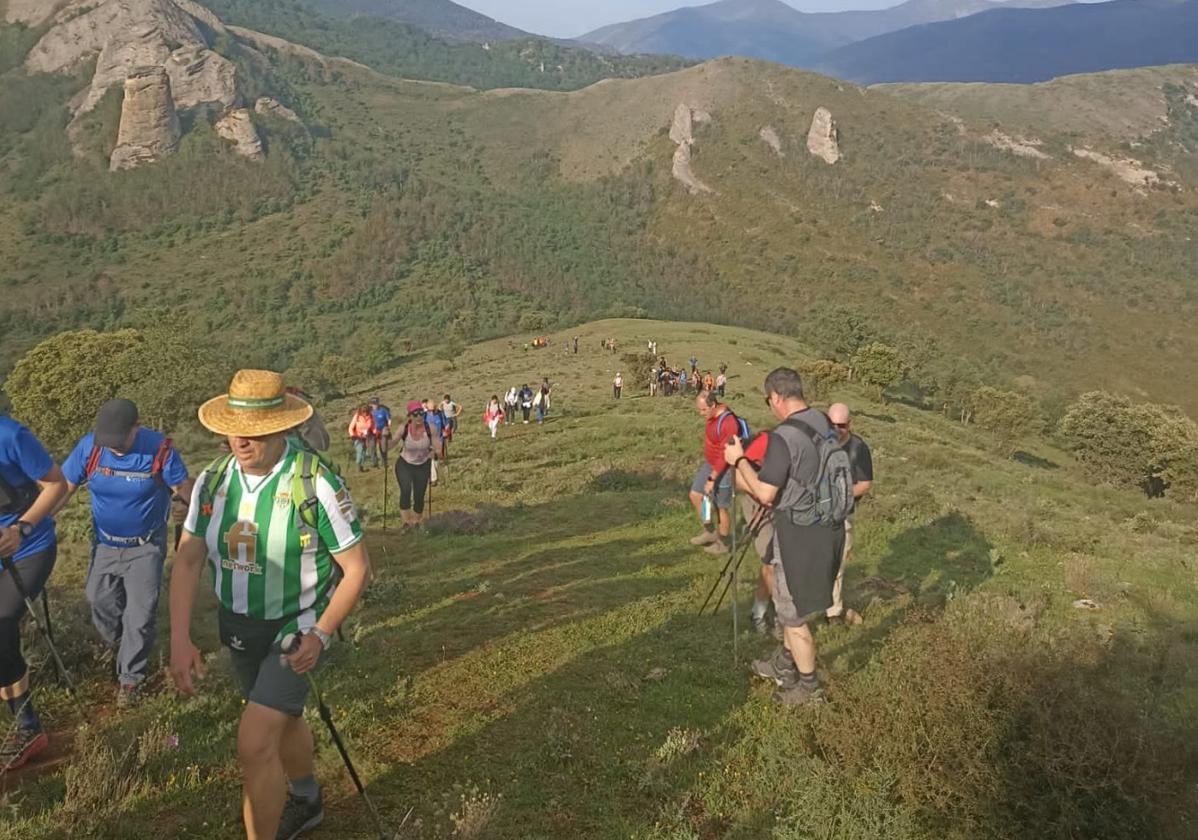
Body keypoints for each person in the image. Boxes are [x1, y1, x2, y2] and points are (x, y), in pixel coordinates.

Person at [170, 370, 370, 840]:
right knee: (285, 719)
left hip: (294, 629)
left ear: (281, 426)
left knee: (254, 742)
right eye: (234, 427)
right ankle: (306, 798)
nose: (241, 440)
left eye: (256, 431)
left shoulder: (314, 482)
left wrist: (320, 634)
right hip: (238, 625)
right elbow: (187, 560)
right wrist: (179, 638)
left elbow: (357, 567)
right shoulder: (214, 482)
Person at [56, 399, 192, 707]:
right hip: (104, 544)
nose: (115, 448)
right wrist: (35, 522)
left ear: (136, 429)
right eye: (109, 443)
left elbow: (183, 488)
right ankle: (122, 648)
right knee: (98, 601)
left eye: (121, 441)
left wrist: (193, 506)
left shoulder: (159, 450)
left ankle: (131, 680)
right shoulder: (90, 448)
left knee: (139, 615)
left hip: (145, 547)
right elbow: (64, 487)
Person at [725, 368, 846, 706]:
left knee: (792, 616)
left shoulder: (784, 437)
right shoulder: (821, 421)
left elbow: (765, 493)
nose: (770, 406)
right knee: (793, 602)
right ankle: (783, 663)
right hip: (827, 527)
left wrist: (738, 461)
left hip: (799, 534)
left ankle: (808, 689)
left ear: (776, 397)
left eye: (769, 401)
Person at [0, 417, 67, 771]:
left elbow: (57, 484)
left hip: (28, 547)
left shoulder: (10, 436)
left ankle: (27, 727)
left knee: (1, 622)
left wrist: (21, 529)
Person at [825, 403, 873, 625]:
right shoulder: (820, 443)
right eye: (832, 424)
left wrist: (839, 495)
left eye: (841, 425)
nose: (836, 429)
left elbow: (864, 485)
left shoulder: (858, 448)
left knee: (837, 563)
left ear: (849, 424)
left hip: (843, 514)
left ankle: (833, 612)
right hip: (816, 512)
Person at [688, 391, 741, 556]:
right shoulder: (712, 417)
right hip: (709, 464)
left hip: (724, 469)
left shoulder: (729, 423)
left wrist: (712, 479)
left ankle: (724, 543)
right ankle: (710, 530)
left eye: (703, 410)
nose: (701, 413)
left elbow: (725, 455)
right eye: (699, 409)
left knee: (721, 507)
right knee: (697, 495)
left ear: (713, 405)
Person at [394, 401, 443, 528]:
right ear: (409, 416)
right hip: (404, 464)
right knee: (405, 491)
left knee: (419, 495)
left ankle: (416, 523)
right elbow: (389, 444)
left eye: (421, 413)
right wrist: (383, 437)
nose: (419, 416)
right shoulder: (403, 428)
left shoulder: (430, 428)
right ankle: (406, 523)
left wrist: (436, 452)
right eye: (415, 414)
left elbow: (438, 447)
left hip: (422, 465)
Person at [347, 405, 375, 472]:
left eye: (366, 411)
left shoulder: (371, 416)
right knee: (360, 451)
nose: (365, 413)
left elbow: (373, 426)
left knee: (364, 452)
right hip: (357, 437)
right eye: (363, 411)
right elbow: (350, 427)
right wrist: (352, 435)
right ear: (361, 411)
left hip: (365, 437)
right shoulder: (357, 417)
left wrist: (375, 433)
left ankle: (361, 466)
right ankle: (358, 467)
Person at [368, 397, 392, 468]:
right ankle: (374, 463)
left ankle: (384, 462)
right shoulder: (370, 412)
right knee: (372, 447)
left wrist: (388, 427)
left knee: (383, 447)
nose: (375, 405)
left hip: (382, 431)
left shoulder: (383, 411)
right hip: (372, 432)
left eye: (376, 403)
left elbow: (389, 420)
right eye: (373, 404)